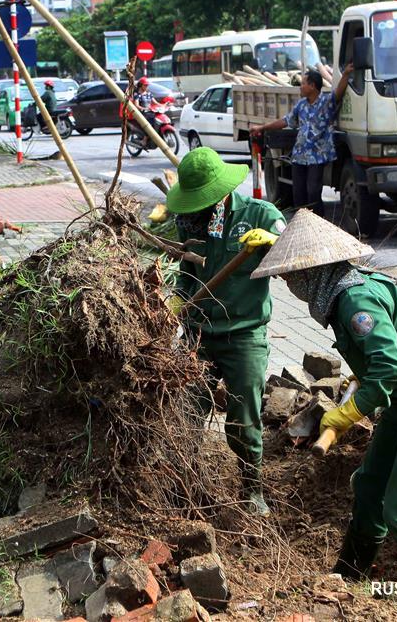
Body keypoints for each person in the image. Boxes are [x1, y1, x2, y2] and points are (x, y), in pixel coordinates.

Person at [249, 209, 397, 578]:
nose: (288, 285)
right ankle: (351, 576)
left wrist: (347, 413)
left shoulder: (355, 301)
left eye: (290, 276)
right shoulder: (343, 289)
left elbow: (390, 368)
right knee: (370, 488)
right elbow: (383, 359)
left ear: (310, 274)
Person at [167, 147, 287, 516]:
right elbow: (187, 274)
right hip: (198, 334)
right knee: (185, 414)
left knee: (243, 419)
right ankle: (184, 487)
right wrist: (177, 299)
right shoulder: (188, 221)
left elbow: (295, 257)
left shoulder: (260, 215)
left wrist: (274, 247)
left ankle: (253, 487)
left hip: (244, 334)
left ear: (219, 193)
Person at [250, 65, 353, 217]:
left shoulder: (326, 102)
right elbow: (285, 121)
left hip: (317, 157)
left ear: (312, 86)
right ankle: (301, 223)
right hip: (299, 156)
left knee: (313, 192)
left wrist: (345, 74)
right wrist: (262, 127)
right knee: (298, 194)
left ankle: (318, 222)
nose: (301, 86)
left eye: (304, 83)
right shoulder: (301, 105)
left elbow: (338, 93)